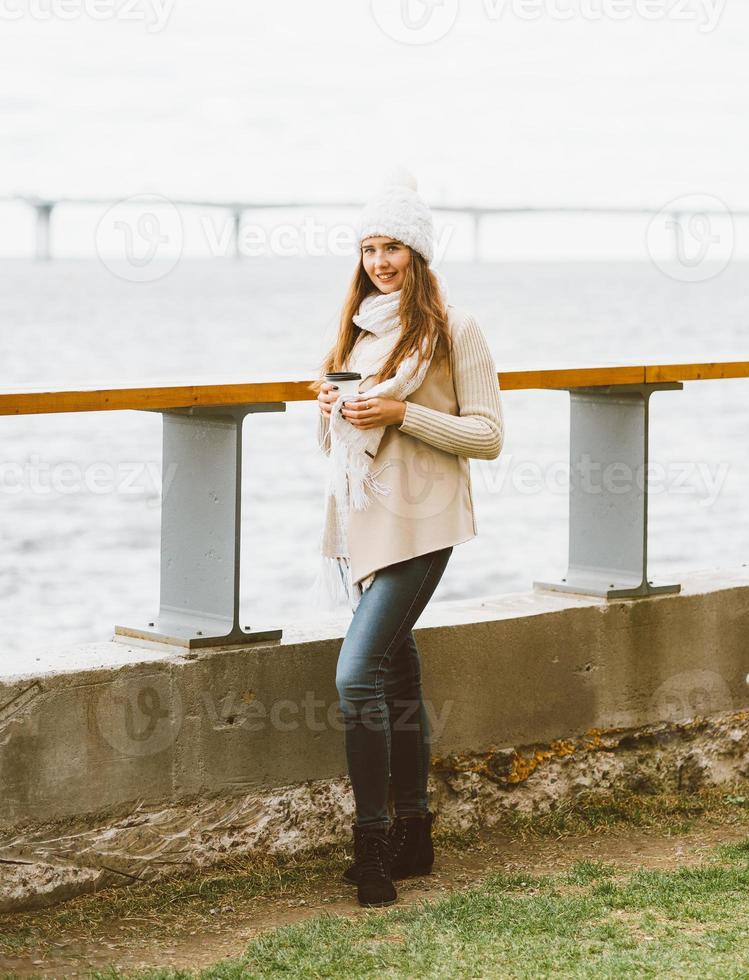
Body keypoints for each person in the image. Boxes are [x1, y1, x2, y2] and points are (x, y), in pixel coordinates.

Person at [308, 168, 504, 908]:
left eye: (394, 247)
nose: (380, 262)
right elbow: (342, 445)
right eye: (368, 248)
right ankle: (417, 832)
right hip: (364, 523)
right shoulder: (357, 330)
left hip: (424, 523)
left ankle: (374, 846)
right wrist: (332, 405)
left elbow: (487, 437)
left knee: (357, 675)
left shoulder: (456, 329)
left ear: (419, 255)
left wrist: (400, 415)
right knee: (396, 676)